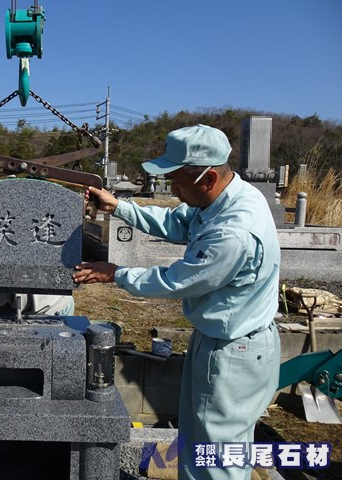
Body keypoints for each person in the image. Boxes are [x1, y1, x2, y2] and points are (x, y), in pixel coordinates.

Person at [73, 124, 281, 480]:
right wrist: (118, 206)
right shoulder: (225, 197)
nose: (175, 190)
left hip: (234, 353)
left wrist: (116, 273)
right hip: (219, 341)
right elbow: (175, 222)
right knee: (199, 445)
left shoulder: (233, 233)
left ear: (208, 176)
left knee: (218, 461)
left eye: (178, 181)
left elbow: (175, 281)